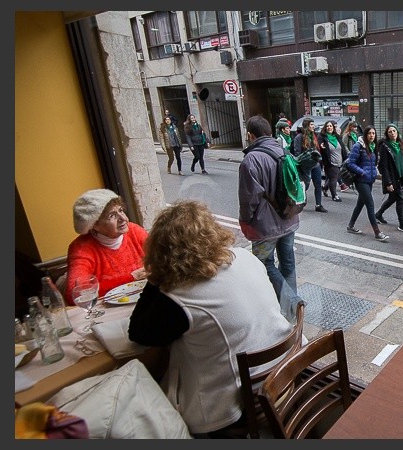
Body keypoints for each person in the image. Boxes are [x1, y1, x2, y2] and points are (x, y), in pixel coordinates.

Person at [128, 200, 296, 438]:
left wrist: (155, 277)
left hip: (231, 406)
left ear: (163, 250)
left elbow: (138, 333)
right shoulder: (244, 257)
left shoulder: (177, 297)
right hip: (281, 374)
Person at [238, 115, 300, 302]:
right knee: (288, 263)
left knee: (265, 264)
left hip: (265, 226)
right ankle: (291, 303)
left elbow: (249, 199)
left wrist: (245, 220)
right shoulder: (285, 152)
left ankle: (291, 303)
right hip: (289, 218)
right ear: (270, 132)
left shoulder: (251, 160)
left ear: (250, 135)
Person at [65, 189, 147, 305]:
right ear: (95, 225)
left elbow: (163, 257)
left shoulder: (134, 231)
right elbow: (75, 293)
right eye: (112, 215)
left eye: (121, 210)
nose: (123, 218)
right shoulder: (81, 248)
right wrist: (132, 277)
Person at [345, 126, 389, 241]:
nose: (372, 135)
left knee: (360, 204)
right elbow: (350, 163)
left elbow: (373, 164)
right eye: (369, 133)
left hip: (369, 180)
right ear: (365, 134)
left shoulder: (373, 147)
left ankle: (350, 226)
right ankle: (377, 232)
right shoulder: (358, 146)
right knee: (370, 205)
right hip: (361, 180)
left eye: (373, 133)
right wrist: (362, 172)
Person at [375, 124, 403, 233]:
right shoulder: (385, 147)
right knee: (400, 199)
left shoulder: (400, 144)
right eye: (390, 132)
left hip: (401, 176)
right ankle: (402, 223)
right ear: (387, 134)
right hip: (392, 178)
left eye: (394, 131)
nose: (392, 133)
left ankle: (378, 214)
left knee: (392, 198)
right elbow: (383, 166)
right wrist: (388, 182)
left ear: (397, 132)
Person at [292, 117, 327, 213]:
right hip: (305, 166)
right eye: (311, 124)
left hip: (316, 165)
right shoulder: (299, 137)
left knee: (318, 185)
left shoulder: (314, 136)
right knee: (305, 185)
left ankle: (318, 205)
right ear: (307, 126)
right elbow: (297, 153)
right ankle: (300, 201)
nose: (313, 126)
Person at [317, 119, 347, 202]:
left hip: (339, 161)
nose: (329, 127)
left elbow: (342, 147)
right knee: (333, 178)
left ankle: (324, 187)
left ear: (333, 127)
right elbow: (319, 145)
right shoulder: (322, 136)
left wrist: (346, 157)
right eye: (327, 126)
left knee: (333, 177)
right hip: (330, 162)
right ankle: (334, 195)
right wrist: (321, 146)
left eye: (330, 126)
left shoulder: (337, 136)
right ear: (325, 128)